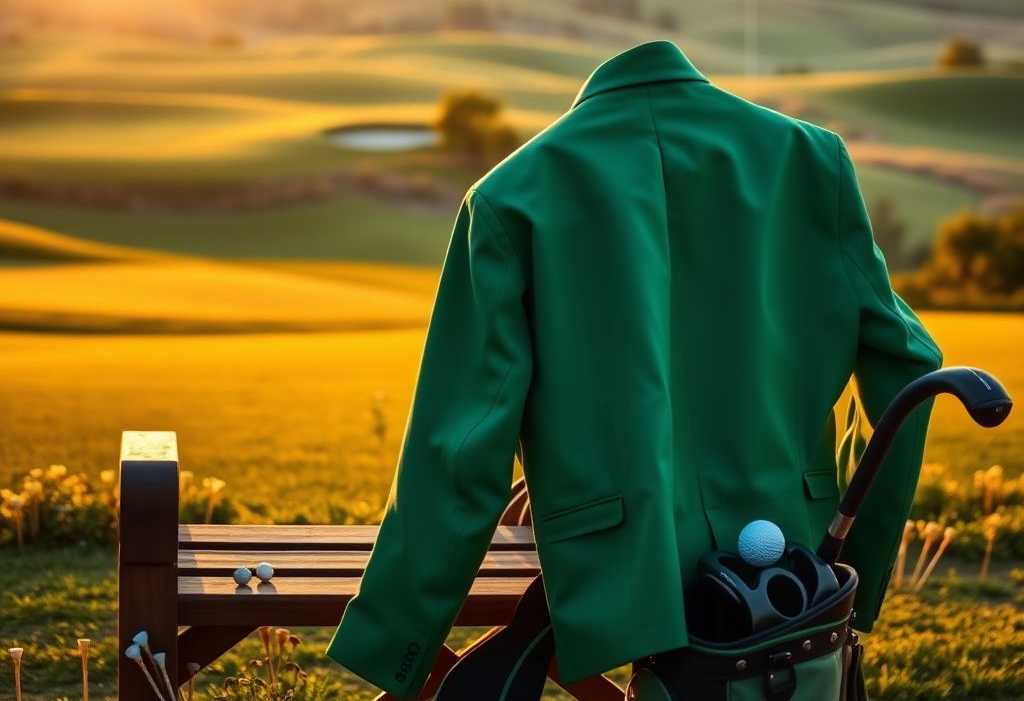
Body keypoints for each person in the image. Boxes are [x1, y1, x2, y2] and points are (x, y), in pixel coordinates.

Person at [324, 39, 943, 697]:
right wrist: (856, 558)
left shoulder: (510, 195)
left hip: (616, 560)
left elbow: (461, 438)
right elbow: (909, 364)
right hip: (791, 548)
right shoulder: (814, 158)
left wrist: (399, 633)